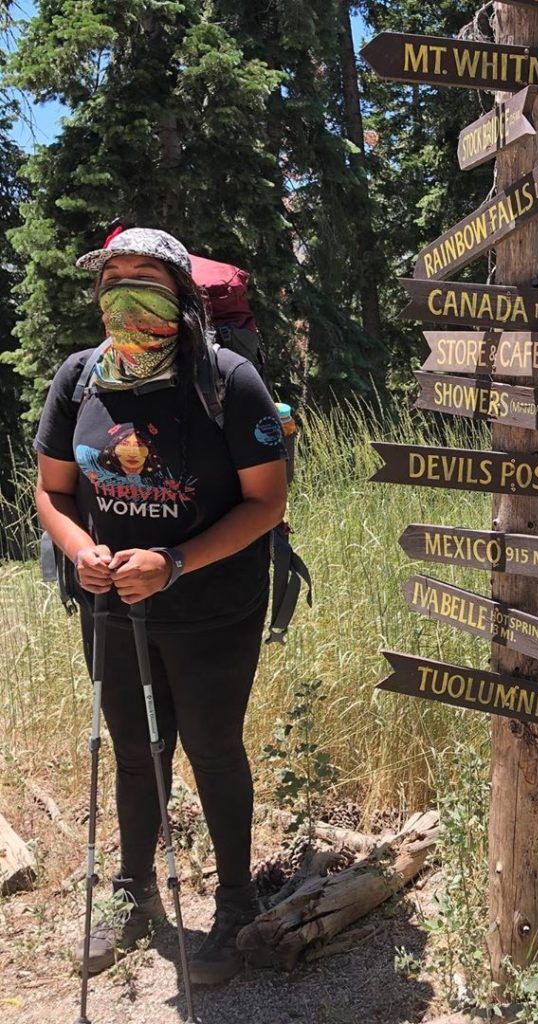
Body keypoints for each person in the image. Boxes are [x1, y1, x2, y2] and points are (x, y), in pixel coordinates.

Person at [34, 228, 288, 984]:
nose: (125, 292)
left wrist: (174, 561)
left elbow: (267, 503)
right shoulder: (79, 378)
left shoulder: (227, 380)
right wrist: (81, 550)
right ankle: (133, 890)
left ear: (179, 293)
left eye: (144, 277)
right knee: (136, 754)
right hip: (111, 608)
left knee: (212, 749)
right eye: (112, 278)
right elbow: (51, 489)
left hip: (215, 606)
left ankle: (237, 904)